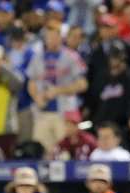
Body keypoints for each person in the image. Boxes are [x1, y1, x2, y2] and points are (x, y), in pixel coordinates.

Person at [27, 20, 88, 156]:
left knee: (64, 153)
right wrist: (37, 97)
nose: (51, 39)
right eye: (49, 36)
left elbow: (82, 84)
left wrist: (59, 90)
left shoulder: (71, 56)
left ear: (61, 37)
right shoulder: (37, 57)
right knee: (43, 152)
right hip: (42, 112)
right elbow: (31, 83)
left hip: (65, 112)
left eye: (55, 36)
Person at [86, 40, 130, 131]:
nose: (114, 61)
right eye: (113, 57)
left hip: (121, 125)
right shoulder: (102, 76)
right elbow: (94, 99)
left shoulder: (129, 76)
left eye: (117, 57)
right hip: (101, 123)